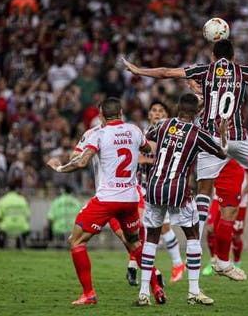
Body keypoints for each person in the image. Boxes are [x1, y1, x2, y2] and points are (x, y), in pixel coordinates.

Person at [122, 39, 248, 280]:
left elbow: (166, 73)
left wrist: (138, 70)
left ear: (212, 54)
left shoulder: (204, 70)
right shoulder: (242, 70)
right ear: (233, 55)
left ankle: (194, 238)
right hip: (237, 136)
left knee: (204, 190)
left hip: (209, 138)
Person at [46, 97, 166, 305]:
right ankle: (156, 288)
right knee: (134, 243)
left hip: (107, 199)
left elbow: (80, 160)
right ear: (121, 113)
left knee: (76, 241)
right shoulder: (135, 130)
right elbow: (148, 150)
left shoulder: (98, 134)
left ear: (100, 116)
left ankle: (89, 294)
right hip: (130, 198)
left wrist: (59, 168)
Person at [136, 93, 227, 306]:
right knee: (193, 236)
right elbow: (222, 153)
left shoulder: (163, 125)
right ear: (196, 112)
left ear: (177, 108)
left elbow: (145, 142)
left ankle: (143, 293)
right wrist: (222, 135)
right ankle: (194, 291)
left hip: (154, 187)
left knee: (151, 238)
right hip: (178, 190)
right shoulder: (198, 133)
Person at [128, 101, 185, 286]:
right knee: (144, 226)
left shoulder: (171, 134)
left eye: (161, 110)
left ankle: (141, 266)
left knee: (159, 228)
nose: (158, 113)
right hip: (142, 186)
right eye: (154, 110)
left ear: (167, 115)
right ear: (149, 115)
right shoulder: (141, 133)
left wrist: (144, 158)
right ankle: (144, 266)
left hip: (162, 186)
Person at [202, 161, 248, 276]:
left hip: (239, 199)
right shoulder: (219, 150)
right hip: (219, 195)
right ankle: (214, 261)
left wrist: (243, 193)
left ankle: (236, 263)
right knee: (210, 228)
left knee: (235, 235)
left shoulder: (242, 151)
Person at [0, 183, 30, 249]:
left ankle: (2, 245)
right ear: (17, 190)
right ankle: (19, 246)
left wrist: (3, 222)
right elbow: (27, 215)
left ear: (7, 190)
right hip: (21, 227)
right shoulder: (23, 200)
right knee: (27, 230)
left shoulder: (3, 200)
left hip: (6, 227)